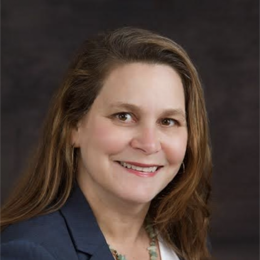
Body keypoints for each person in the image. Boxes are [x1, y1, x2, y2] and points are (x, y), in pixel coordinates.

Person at [1, 27, 212, 260]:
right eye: (124, 116)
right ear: (73, 126)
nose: (149, 144)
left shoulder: (183, 238)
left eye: (168, 121)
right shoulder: (30, 252)